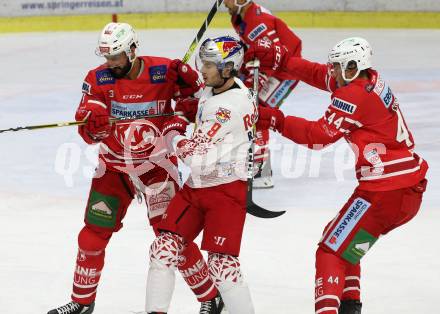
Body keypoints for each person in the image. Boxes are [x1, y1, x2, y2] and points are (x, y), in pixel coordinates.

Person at [48, 22, 221, 314]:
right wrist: (94, 126)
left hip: (157, 168)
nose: (111, 63)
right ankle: (82, 302)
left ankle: (210, 297)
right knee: (92, 235)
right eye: (107, 57)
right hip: (113, 169)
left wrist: (192, 86)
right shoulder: (97, 78)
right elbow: (86, 124)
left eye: (116, 56)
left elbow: (200, 102)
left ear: (132, 49)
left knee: (171, 237)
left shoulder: (164, 71)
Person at [247, 37, 429, 313]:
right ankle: (350, 306)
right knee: (341, 242)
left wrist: (274, 119)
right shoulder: (369, 81)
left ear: (353, 67)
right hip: (404, 187)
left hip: (385, 192)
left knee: (330, 250)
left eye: (336, 67)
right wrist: (282, 61)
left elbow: (317, 136)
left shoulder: (353, 96)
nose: (331, 72)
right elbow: (319, 74)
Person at [144, 36, 256, 314]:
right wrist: (183, 84)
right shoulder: (221, 88)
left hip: (225, 192)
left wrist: (172, 131)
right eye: (202, 63)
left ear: (228, 68)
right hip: (196, 188)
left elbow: (194, 157)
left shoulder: (228, 108)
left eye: (209, 65)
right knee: (163, 250)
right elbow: (198, 102)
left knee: (222, 268)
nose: (203, 70)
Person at [224, 0, 302, 188]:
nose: (224, 2)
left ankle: (261, 171)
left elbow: (274, 57)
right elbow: (256, 51)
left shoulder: (258, 23)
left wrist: (252, 84)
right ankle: (246, 158)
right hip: (266, 66)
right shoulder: (239, 16)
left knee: (256, 111)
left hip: (284, 73)